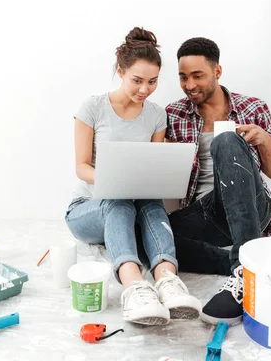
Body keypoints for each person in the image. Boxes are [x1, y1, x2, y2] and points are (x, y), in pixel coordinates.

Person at [65, 27, 201, 326]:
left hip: (134, 204)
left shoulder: (155, 114)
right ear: (120, 71)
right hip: (89, 208)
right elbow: (82, 167)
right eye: (137, 81)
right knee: (118, 200)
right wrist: (114, 183)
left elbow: (151, 166)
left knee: (151, 201)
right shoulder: (93, 107)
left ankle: (167, 280)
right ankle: (134, 287)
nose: (144, 90)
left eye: (152, 82)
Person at [165, 37, 271, 326]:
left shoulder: (253, 107)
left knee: (227, 141)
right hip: (205, 214)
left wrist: (264, 140)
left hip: (251, 207)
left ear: (217, 72)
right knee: (148, 236)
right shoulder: (172, 114)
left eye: (197, 75)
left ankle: (244, 272)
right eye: (183, 77)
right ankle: (242, 259)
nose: (189, 84)